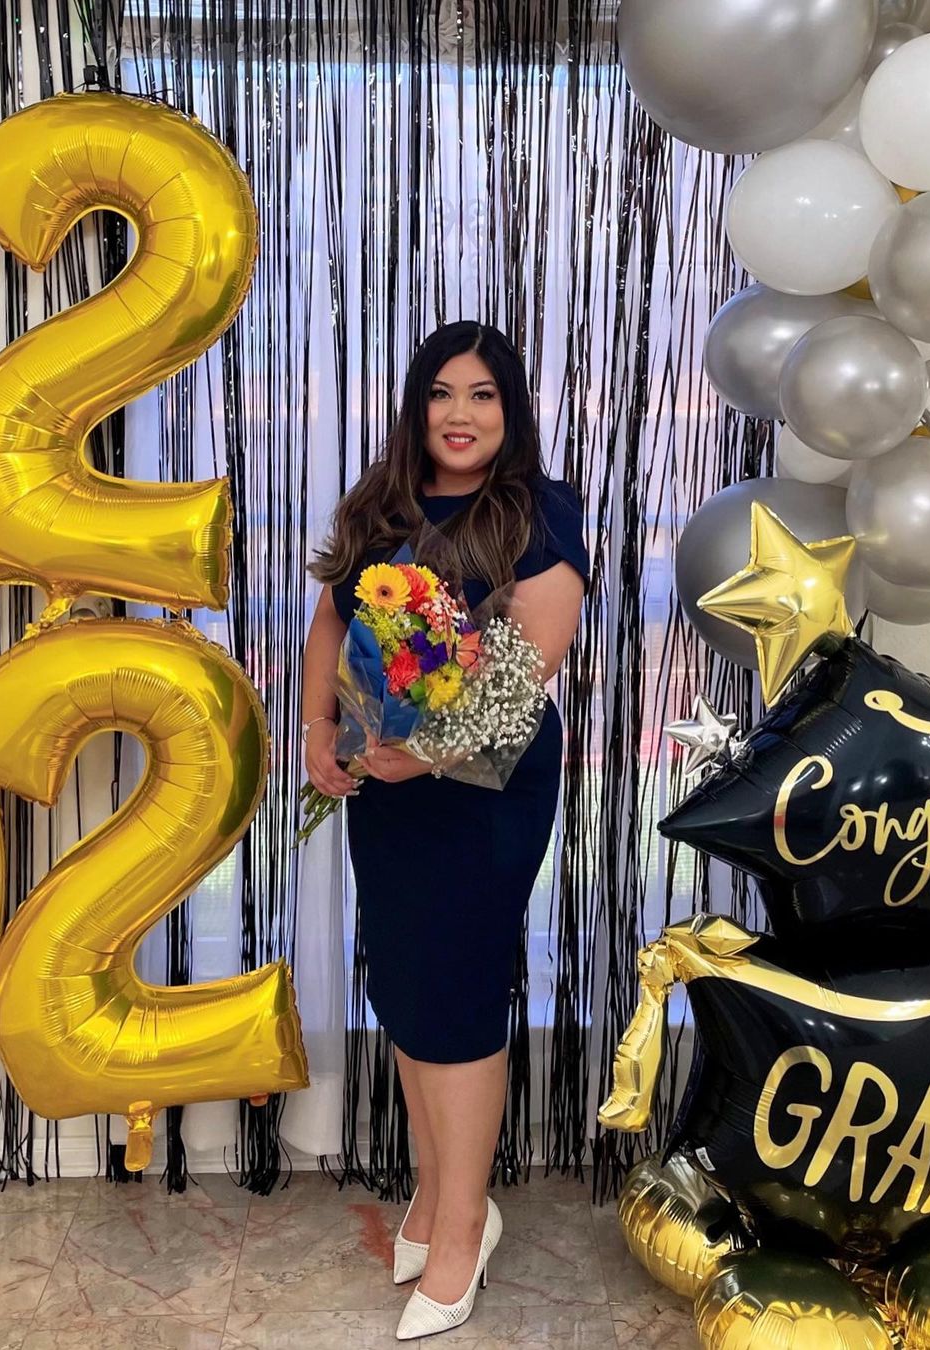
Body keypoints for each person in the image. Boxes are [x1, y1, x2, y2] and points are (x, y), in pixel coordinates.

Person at [302, 320, 587, 1341]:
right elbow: (334, 617)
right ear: (417, 405)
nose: (459, 415)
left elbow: (529, 666)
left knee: (456, 989)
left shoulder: (539, 510)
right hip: (385, 782)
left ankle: (467, 1224)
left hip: (485, 789)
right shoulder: (380, 502)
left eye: (482, 396)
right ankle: (432, 1192)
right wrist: (320, 728)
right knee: (407, 981)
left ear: (510, 412)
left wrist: (421, 754)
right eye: (441, 393)